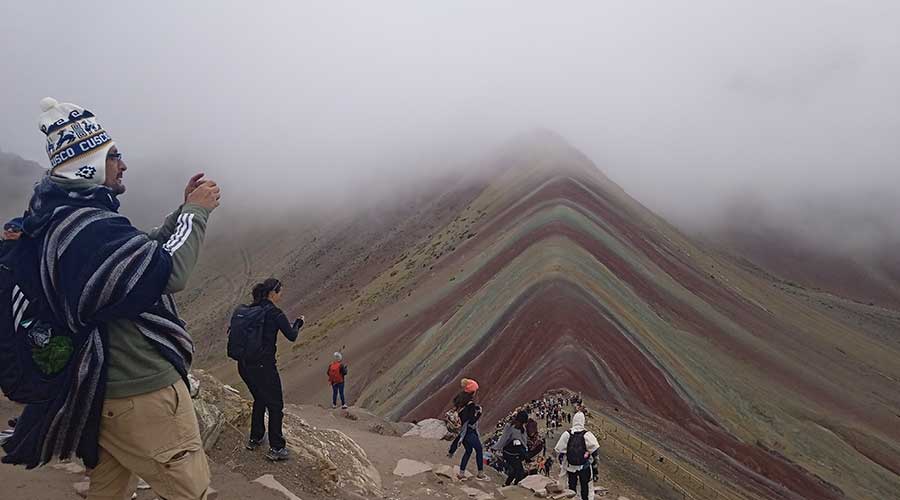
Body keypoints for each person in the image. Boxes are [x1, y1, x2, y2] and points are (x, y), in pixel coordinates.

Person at [1, 98, 219, 500]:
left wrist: (178, 212)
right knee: (191, 491)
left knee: (109, 492)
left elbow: (134, 256)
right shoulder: (87, 227)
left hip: (100, 391)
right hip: (140, 391)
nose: (122, 164)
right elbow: (167, 272)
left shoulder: (61, 217)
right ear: (89, 164)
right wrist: (196, 214)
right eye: (113, 155)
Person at [236, 278, 304, 461]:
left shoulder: (250, 310)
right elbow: (291, 336)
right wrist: (298, 323)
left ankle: (255, 438)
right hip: (263, 366)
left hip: (243, 364)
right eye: (280, 292)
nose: (281, 295)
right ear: (273, 293)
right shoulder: (275, 313)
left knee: (260, 398)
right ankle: (276, 447)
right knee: (275, 405)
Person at [447, 379, 488, 481]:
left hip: (462, 432)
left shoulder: (460, 400)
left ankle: (461, 473)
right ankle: (480, 473)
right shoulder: (470, 404)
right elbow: (471, 421)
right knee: (479, 449)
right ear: (473, 391)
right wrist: (478, 414)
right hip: (468, 431)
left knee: (468, 450)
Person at [554, 412, 600, 500]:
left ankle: (572, 498)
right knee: (584, 486)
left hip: (571, 466)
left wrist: (562, 462)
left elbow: (559, 450)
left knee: (572, 486)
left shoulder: (567, 434)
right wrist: (595, 469)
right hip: (584, 466)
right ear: (583, 421)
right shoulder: (587, 434)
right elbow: (595, 451)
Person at [494, 410, 529, 486]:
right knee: (518, 471)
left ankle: (508, 484)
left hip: (517, 453)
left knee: (516, 471)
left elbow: (524, 441)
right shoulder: (509, 427)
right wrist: (496, 448)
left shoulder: (522, 429)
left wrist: (525, 452)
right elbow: (503, 439)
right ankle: (512, 485)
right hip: (509, 453)